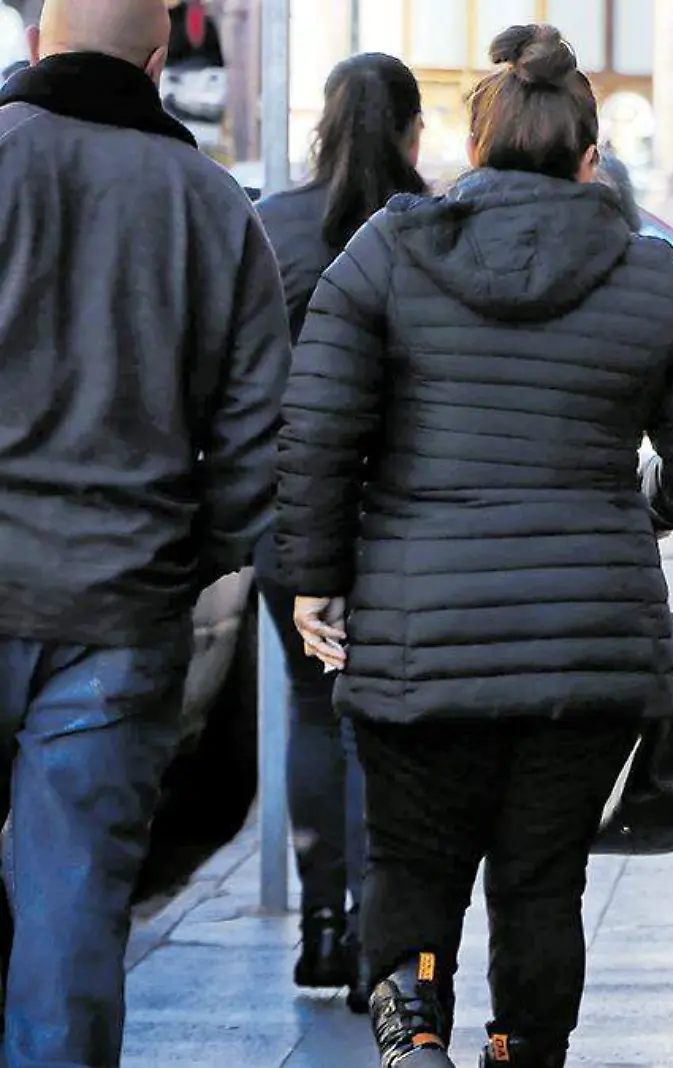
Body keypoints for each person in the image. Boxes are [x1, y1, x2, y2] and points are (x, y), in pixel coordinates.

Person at [273, 24, 673, 1068]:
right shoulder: (648, 275)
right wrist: (637, 508)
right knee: (542, 874)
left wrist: (317, 580)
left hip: (416, 630)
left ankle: (415, 1028)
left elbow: (317, 430)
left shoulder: (384, 257)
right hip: (588, 642)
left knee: (412, 854)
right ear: (592, 160)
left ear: (472, 152)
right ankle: (521, 1045)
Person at [0, 0, 290, 1062]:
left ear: (37, 45)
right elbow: (263, 441)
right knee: (72, 921)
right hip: (119, 609)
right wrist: (192, 552)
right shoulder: (213, 208)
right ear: (161, 62)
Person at [252, 50, 429, 1013]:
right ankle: (379, 937)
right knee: (388, 725)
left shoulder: (273, 224)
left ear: (323, 123)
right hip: (406, 518)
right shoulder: (431, 225)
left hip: (291, 517)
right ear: (413, 133)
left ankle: (323, 928)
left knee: (311, 709)